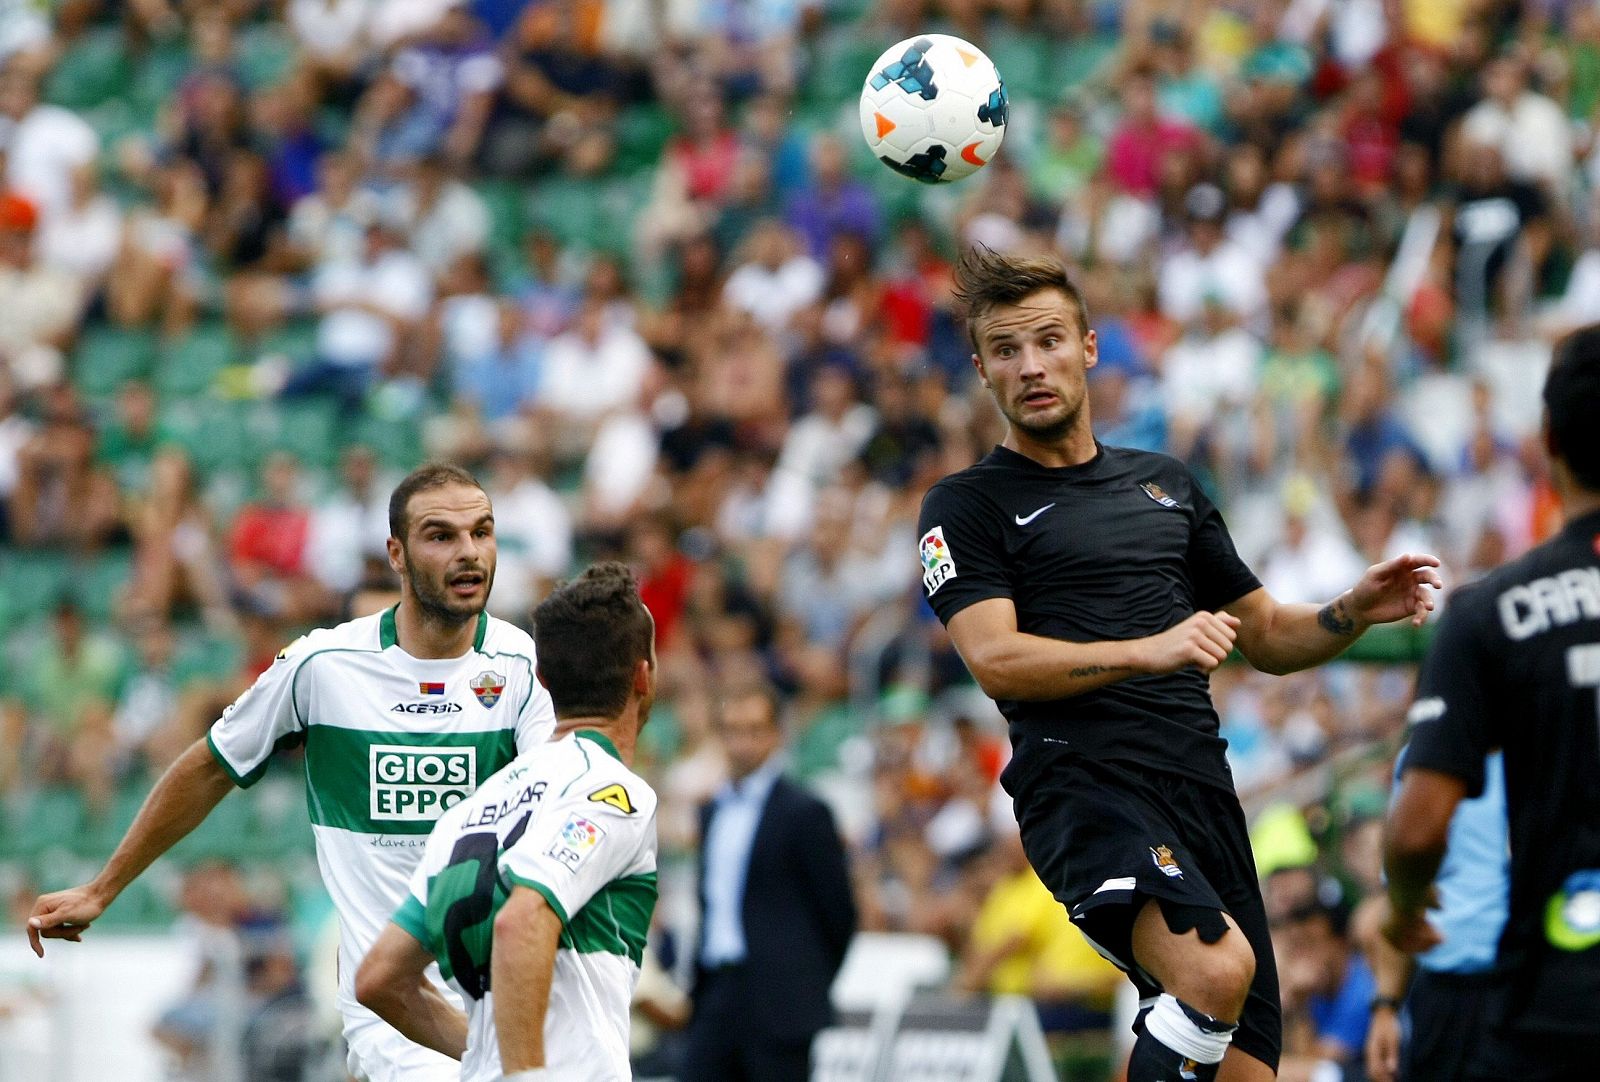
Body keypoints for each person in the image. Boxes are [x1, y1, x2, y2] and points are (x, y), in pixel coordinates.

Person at [917, 246, 1440, 1082]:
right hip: (1084, 787)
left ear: (1090, 347)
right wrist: (1148, 650)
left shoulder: (1166, 486)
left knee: (1247, 1071)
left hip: (1200, 788)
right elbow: (996, 661)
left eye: (1049, 341)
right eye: (1007, 351)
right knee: (1213, 972)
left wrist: (1349, 611)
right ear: (981, 370)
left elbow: (1265, 633)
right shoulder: (965, 506)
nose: (1031, 366)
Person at [26, 463, 558, 1082]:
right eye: (441, 535)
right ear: (397, 554)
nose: (469, 553)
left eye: (482, 532)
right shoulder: (323, 666)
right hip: (396, 1023)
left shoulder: (519, 664)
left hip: (503, 1010)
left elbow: (556, 806)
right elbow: (209, 766)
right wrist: (102, 888)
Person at [1383, 324, 1600, 1080]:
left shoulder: (1489, 613)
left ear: (1547, 440)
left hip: (1552, 998)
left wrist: (1404, 911)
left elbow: (1416, 832)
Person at [355, 561, 659, 1082]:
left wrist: (485, 1057)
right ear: (643, 675)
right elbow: (522, 922)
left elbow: (380, 979)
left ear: (542, 679)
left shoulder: (469, 810)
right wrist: (525, 1074)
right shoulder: (613, 792)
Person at [681, 682, 858, 1082]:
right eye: (731, 730)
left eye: (753, 730)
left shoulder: (804, 811)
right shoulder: (712, 811)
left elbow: (838, 911)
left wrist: (804, 980)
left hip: (781, 1000)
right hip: (716, 989)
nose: (741, 743)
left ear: (776, 733)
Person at [1364, 750, 1507, 1082]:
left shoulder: (1561, 739)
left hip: (1534, 980)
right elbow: (1400, 897)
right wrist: (1386, 1005)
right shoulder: (1422, 754)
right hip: (1445, 992)